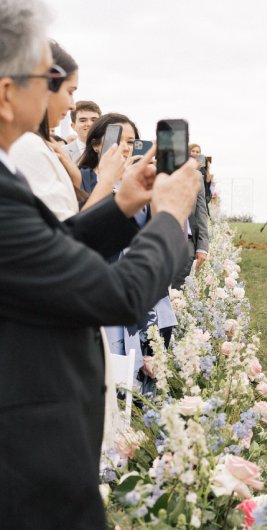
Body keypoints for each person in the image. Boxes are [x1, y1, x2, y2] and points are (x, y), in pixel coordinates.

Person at [0, 2, 200, 525]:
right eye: (46, 76)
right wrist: (169, 216)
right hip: (26, 452)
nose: (57, 93)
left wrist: (124, 204)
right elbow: (117, 295)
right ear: (6, 96)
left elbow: (46, 248)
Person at [9, 40, 83, 220]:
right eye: (70, 91)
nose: (72, 105)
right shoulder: (26, 145)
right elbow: (65, 237)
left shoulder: (34, 143)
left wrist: (75, 181)